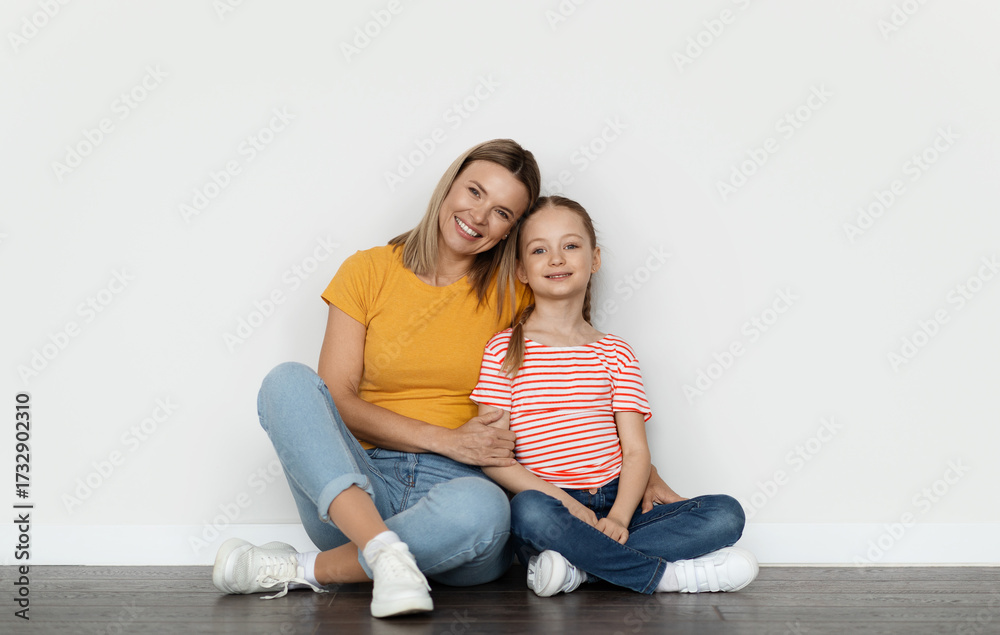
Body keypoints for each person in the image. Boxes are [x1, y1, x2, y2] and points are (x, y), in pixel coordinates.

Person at [211, 140, 688, 618]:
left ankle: (310, 568)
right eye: (474, 192)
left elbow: (576, 370)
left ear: (511, 234)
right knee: (287, 383)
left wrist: (640, 470)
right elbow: (336, 397)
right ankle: (381, 550)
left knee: (486, 509)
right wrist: (446, 440)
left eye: (501, 213)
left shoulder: (514, 288)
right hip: (356, 487)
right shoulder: (368, 271)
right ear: (449, 184)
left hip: (460, 501)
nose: (479, 216)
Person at [470, 196, 759, 597]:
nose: (557, 258)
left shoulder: (615, 353)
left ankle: (579, 570)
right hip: (553, 508)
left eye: (570, 245)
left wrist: (620, 517)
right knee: (526, 511)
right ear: (521, 269)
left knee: (726, 514)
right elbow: (495, 457)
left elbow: (636, 452)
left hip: (616, 502)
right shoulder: (503, 350)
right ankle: (665, 577)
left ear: (595, 259)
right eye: (539, 250)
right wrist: (570, 506)